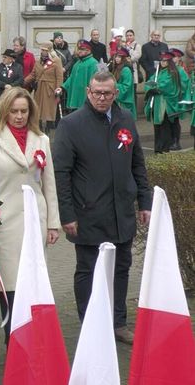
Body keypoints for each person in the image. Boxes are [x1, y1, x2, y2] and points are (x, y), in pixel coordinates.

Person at [53, 71, 152, 345]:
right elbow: (61, 173)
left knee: (121, 267)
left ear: (115, 93)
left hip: (122, 211)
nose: (101, 98)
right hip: (87, 214)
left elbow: (138, 164)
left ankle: (118, 322)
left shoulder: (126, 119)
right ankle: (90, 324)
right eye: (96, 92)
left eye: (107, 93)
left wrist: (145, 201)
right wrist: (67, 214)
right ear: (88, 91)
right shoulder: (71, 125)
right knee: (88, 270)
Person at [0, 87, 60, 345]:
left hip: (35, 224)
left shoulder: (41, 139)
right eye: (14, 111)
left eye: (24, 111)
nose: (19, 116)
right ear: (4, 111)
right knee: (10, 289)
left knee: (34, 287)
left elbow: (49, 184)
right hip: (3, 227)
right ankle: (13, 342)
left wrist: (52, 223)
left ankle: (35, 342)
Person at [144, 51, 188, 154]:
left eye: (165, 61)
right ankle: (158, 148)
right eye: (161, 61)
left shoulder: (173, 72)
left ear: (169, 62)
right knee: (157, 126)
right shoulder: (158, 72)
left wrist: (156, 88)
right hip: (157, 102)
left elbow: (167, 86)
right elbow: (149, 82)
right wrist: (150, 88)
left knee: (165, 126)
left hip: (165, 104)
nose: (162, 63)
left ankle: (165, 148)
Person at [24, 41, 64, 134]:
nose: (42, 51)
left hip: (50, 89)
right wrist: (22, 82)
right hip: (39, 89)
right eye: (41, 49)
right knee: (38, 110)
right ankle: (39, 130)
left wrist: (58, 88)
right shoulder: (38, 61)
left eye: (44, 50)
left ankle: (48, 131)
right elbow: (33, 74)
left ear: (49, 50)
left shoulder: (56, 60)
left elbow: (59, 76)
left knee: (48, 111)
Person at [57, 40, 98, 112]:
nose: (79, 51)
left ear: (88, 51)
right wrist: (62, 88)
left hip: (85, 99)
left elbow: (95, 82)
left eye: (82, 49)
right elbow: (71, 78)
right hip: (75, 97)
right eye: (79, 49)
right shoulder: (77, 63)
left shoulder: (93, 63)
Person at [110, 47, 136, 119]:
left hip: (124, 102)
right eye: (116, 56)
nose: (117, 59)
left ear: (123, 58)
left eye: (119, 57)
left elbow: (126, 87)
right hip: (117, 101)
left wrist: (112, 85)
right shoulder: (116, 68)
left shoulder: (126, 70)